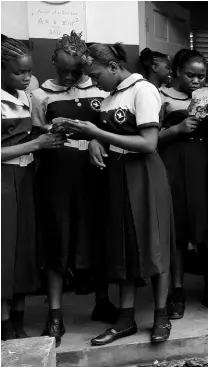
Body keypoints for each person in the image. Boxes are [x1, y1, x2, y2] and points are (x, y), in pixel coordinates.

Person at [65, 42, 174, 345]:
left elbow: (149, 142)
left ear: (113, 67)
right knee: (123, 245)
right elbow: (110, 134)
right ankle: (125, 318)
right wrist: (97, 144)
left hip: (144, 174)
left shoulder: (143, 90)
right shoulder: (111, 97)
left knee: (154, 243)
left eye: (96, 75)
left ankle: (161, 315)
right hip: (117, 173)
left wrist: (96, 134)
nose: (94, 82)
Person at [30, 31, 118, 346]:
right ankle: (55, 315)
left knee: (99, 235)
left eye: (75, 71)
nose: (69, 76)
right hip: (57, 175)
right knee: (57, 239)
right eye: (63, 70)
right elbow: (38, 137)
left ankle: (103, 300)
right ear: (53, 61)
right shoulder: (41, 95)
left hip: (95, 172)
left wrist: (97, 137)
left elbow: (109, 127)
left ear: (85, 65)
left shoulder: (99, 88)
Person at [1, 35, 66, 341]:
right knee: (6, 252)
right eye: (19, 72)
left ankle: (17, 318)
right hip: (4, 182)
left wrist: (47, 135)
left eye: (29, 71)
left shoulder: (25, 96)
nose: (27, 77)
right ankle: (4, 323)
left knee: (24, 251)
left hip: (26, 179)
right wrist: (37, 142)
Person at [158, 49, 208, 318]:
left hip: (207, 165)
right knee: (179, 227)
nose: (197, 81)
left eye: (201, 76)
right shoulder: (161, 97)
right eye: (190, 75)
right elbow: (151, 138)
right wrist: (176, 129)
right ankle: (176, 291)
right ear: (177, 71)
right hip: (174, 165)